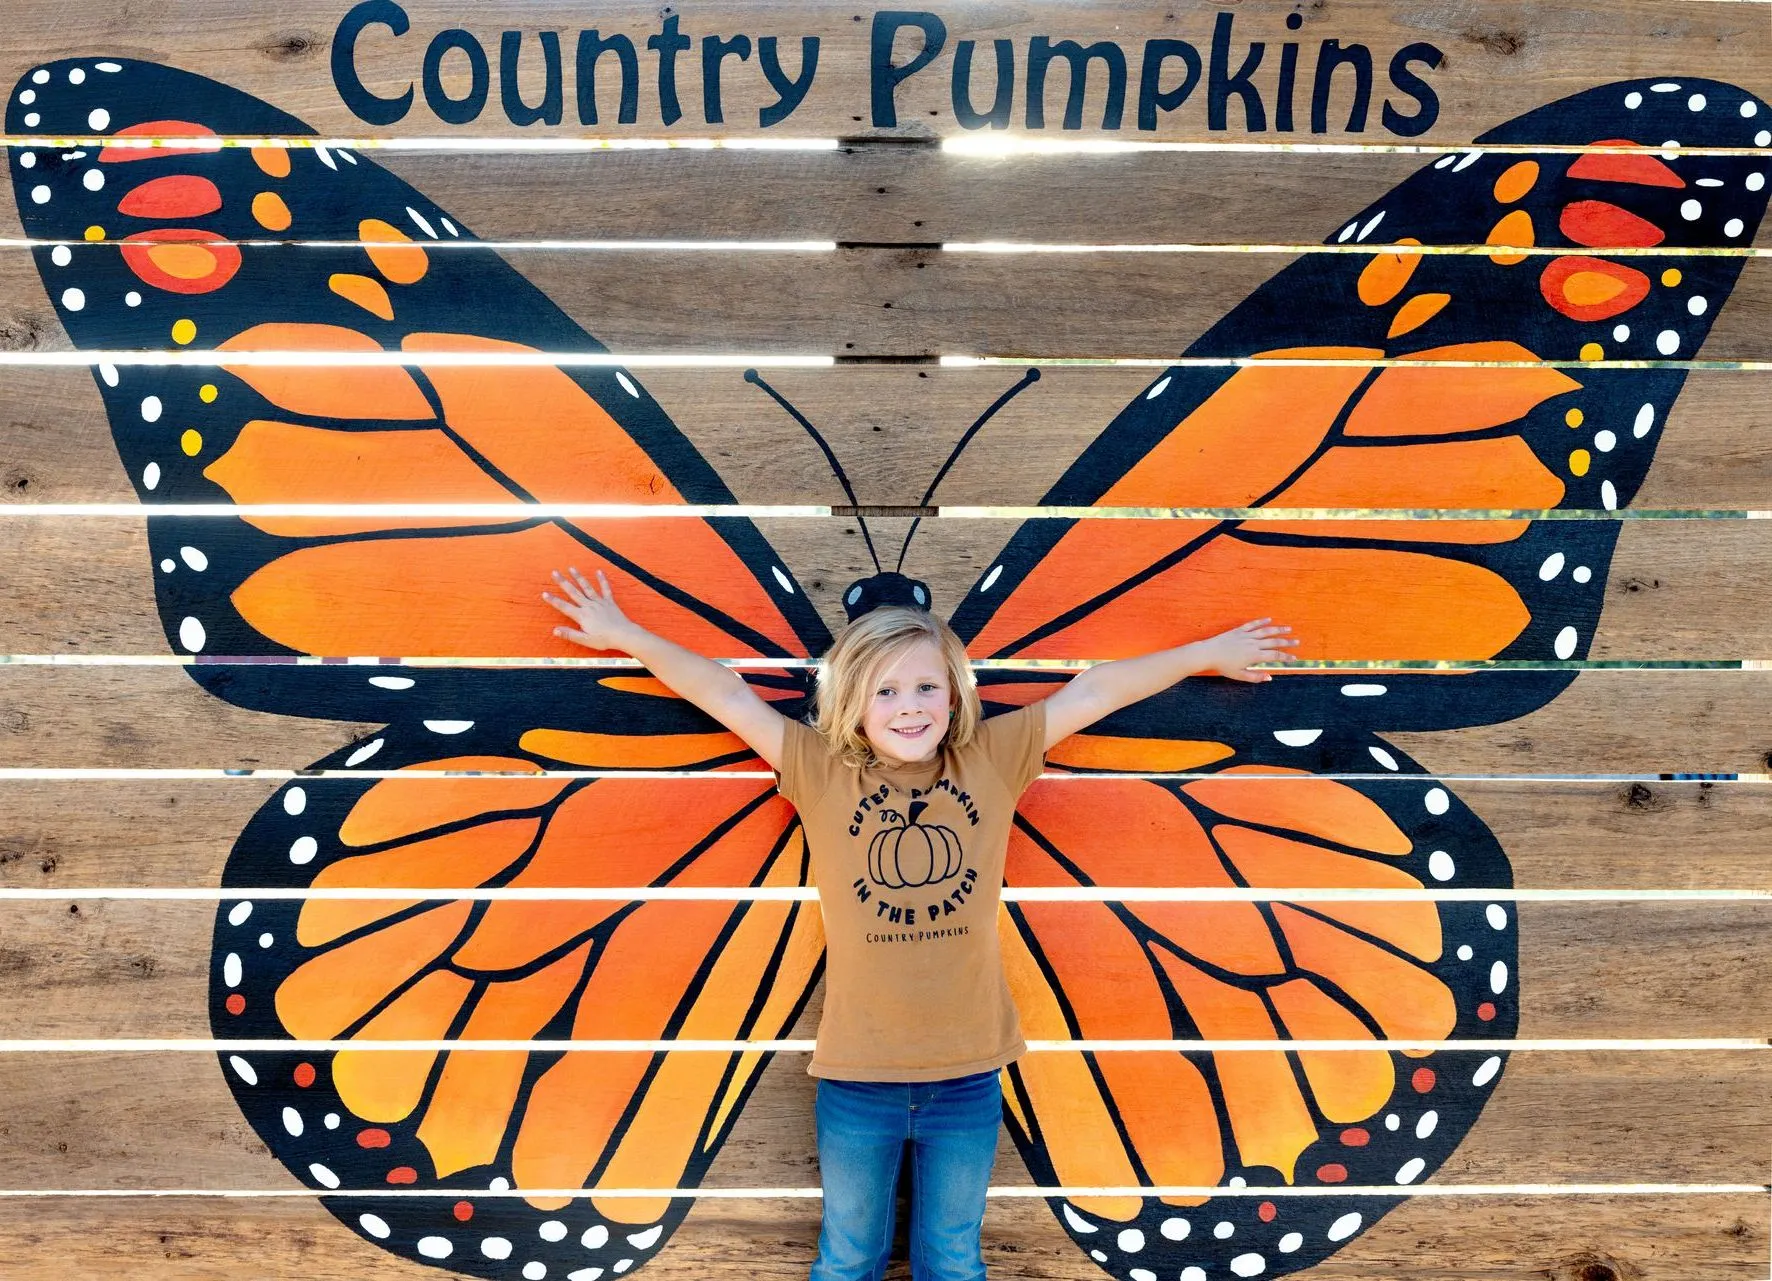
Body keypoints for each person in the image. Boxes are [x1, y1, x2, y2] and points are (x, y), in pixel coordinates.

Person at [542, 565, 1295, 1281]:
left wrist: (1207, 654)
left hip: (968, 1078)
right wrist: (625, 633)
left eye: (927, 685)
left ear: (955, 693)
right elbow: (728, 695)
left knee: (953, 1261)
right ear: (852, 707)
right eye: (886, 691)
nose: (910, 706)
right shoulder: (819, 769)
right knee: (846, 1259)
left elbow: (1094, 690)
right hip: (857, 1079)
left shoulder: (991, 759)